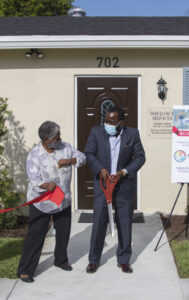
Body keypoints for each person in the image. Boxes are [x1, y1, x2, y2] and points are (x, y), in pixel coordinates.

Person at [17, 121, 86, 283]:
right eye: (57, 136)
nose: (60, 138)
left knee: (63, 233)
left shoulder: (65, 148)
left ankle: (60, 260)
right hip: (42, 202)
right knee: (36, 235)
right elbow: (34, 180)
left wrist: (70, 161)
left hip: (63, 200)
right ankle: (25, 270)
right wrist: (46, 185)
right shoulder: (34, 155)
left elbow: (83, 158)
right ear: (47, 140)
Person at [85, 107, 145, 273]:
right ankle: (94, 260)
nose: (108, 125)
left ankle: (124, 259)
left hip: (123, 186)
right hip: (103, 186)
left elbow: (140, 157)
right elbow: (89, 153)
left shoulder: (132, 134)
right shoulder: (96, 131)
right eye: (106, 121)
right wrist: (100, 169)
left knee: (125, 223)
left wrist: (123, 172)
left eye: (112, 122)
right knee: (98, 224)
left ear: (121, 122)